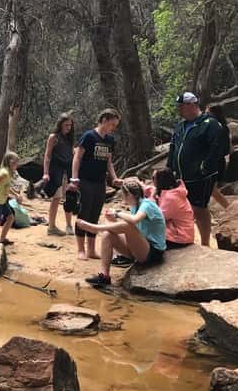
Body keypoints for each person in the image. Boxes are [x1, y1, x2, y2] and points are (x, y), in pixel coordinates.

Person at [77, 178, 166, 288]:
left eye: (123, 195)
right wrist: (113, 219)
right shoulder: (135, 206)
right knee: (108, 234)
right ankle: (104, 276)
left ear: (128, 194)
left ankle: (96, 228)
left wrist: (117, 213)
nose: (122, 198)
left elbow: (134, 221)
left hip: (153, 252)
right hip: (140, 248)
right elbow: (131, 230)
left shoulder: (147, 204)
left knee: (127, 226)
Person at [166, 92, 227, 246]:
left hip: (201, 175)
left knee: (199, 208)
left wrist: (205, 166)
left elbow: (217, 147)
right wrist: (169, 166)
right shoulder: (180, 125)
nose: (178, 110)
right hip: (181, 175)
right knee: (186, 208)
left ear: (192, 105)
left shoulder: (209, 123)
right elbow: (173, 146)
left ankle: (205, 243)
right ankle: (186, 238)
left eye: (181, 107)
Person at [69, 109, 121, 260]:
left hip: (100, 182)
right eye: (112, 124)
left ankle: (91, 249)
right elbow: (77, 157)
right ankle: (81, 250)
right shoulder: (89, 136)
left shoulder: (110, 140)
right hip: (85, 180)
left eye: (115, 125)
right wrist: (74, 178)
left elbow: (109, 162)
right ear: (104, 120)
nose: (113, 128)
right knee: (84, 213)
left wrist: (114, 178)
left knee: (95, 214)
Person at [40, 113, 75, 236]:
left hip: (68, 171)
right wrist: (45, 173)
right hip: (55, 171)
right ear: (60, 125)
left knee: (66, 197)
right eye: (66, 125)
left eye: (70, 125)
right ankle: (51, 227)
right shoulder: (53, 137)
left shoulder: (69, 139)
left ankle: (64, 225)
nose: (68, 127)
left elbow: (71, 155)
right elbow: (47, 156)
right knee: (56, 198)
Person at [143, 168, 195, 249]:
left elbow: (157, 218)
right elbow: (150, 189)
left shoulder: (171, 198)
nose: (151, 180)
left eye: (153, 178)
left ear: (160, 180)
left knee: (143, 231)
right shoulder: (169, 191)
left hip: (180, 237)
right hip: (176, 231)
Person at [205, 103, 231, 209]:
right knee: (210, 190)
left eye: (207, 112)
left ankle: (229, 208)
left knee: (210, 190)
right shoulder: (222, 127)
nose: (205, 114)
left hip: (214, 162)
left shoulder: (218, 128)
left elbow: (223, 149)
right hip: (217, 161)